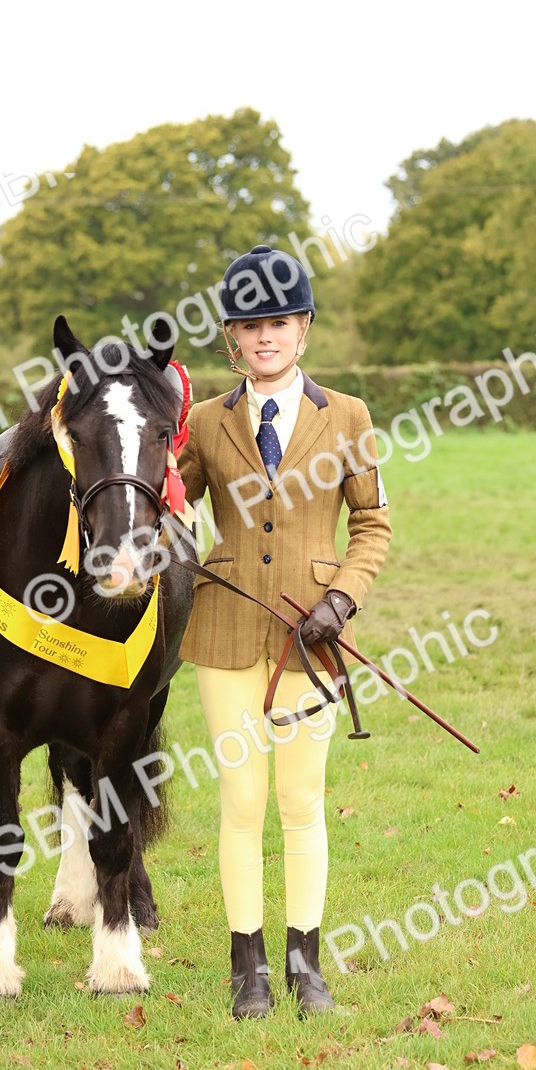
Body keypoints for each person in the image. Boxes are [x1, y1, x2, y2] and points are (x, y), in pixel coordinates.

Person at [176, 245, 392, 1018]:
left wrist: (342, 600)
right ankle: (249, 972)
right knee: (241, 799)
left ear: (303, 329)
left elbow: (372, 522)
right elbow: (171, 510)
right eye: (248, 325)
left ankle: (307, 966)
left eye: (279, 321)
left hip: (313, 635)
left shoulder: (350, 417)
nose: (264, 337)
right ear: (232, 338)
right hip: (225, 635)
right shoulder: (203, 421)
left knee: (301, 801)